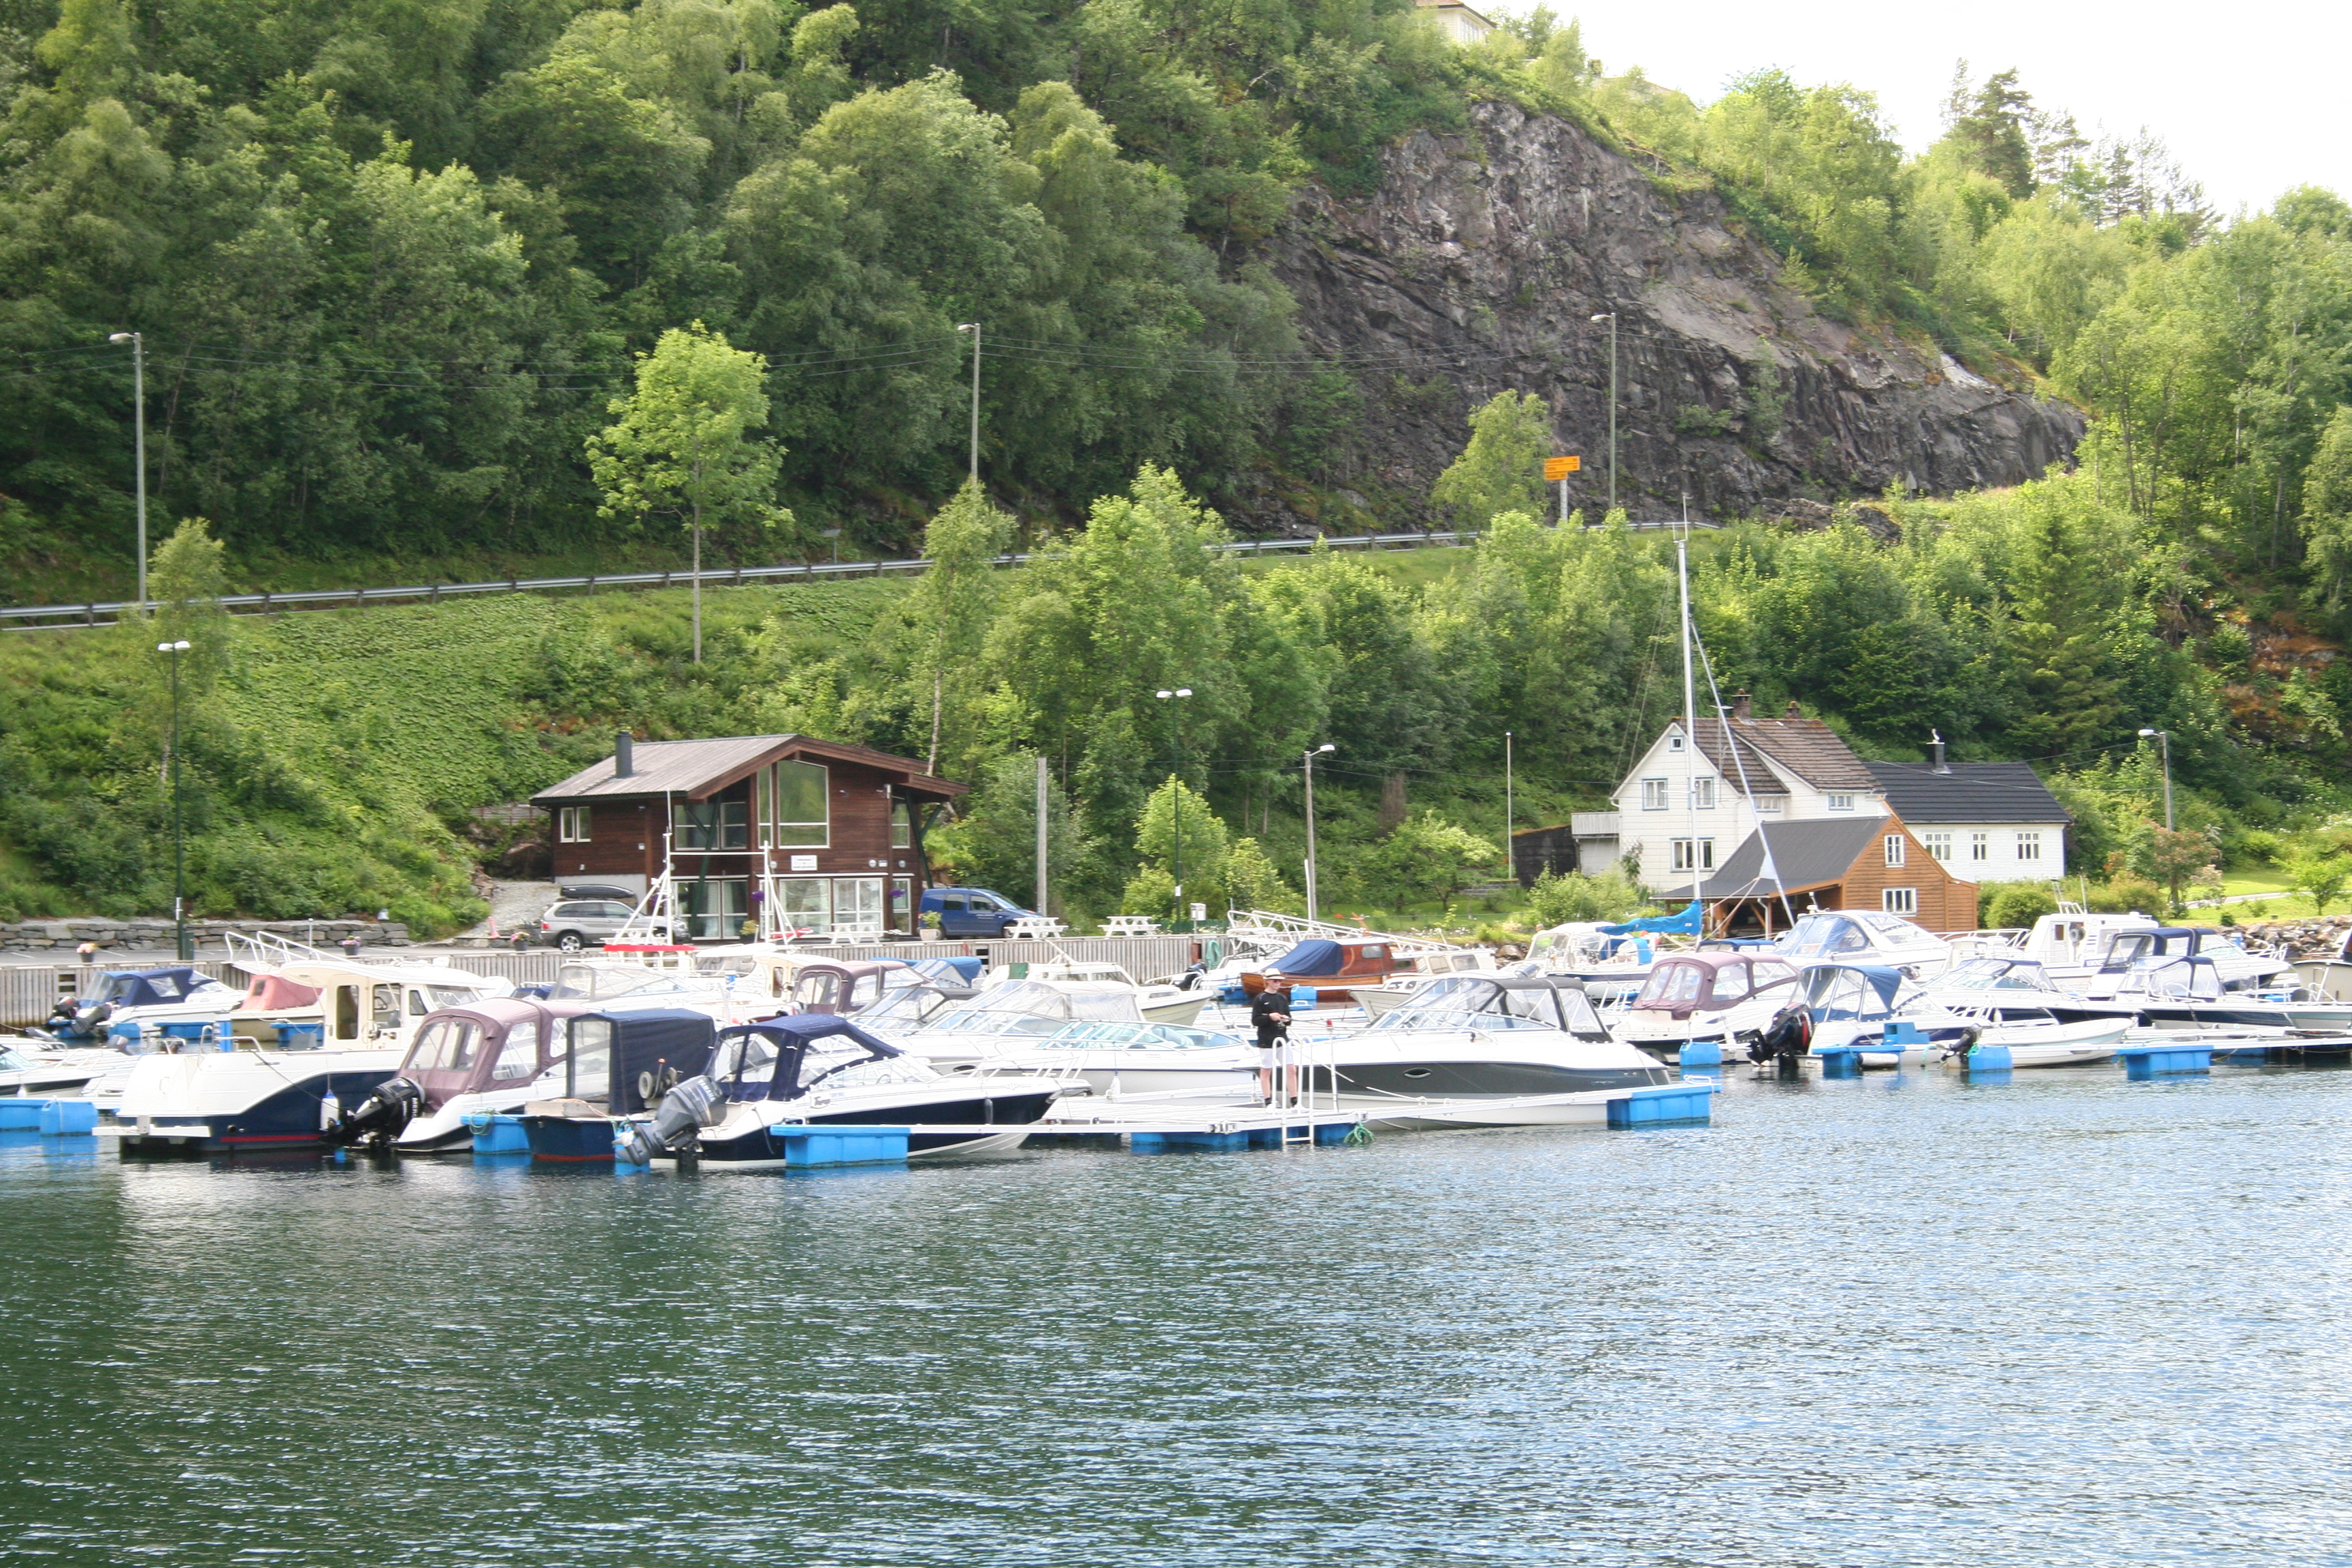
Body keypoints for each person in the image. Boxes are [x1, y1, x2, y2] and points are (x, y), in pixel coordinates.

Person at [1243, 972, 1292, 1103]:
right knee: (1266, 1071)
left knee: (1291, 1069)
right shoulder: (1261, 998)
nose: (1278, 983)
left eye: (1279, 981)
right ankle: (1268, 1101)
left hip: (1282, 1037)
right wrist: (1270, 1017)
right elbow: (1255, 1021)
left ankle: (1295, 1102)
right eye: (1275, 981)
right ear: (1268, 981)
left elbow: (1289, 1019)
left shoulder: (1282, 998)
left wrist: (1286, 1019)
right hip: (1267, 1040)